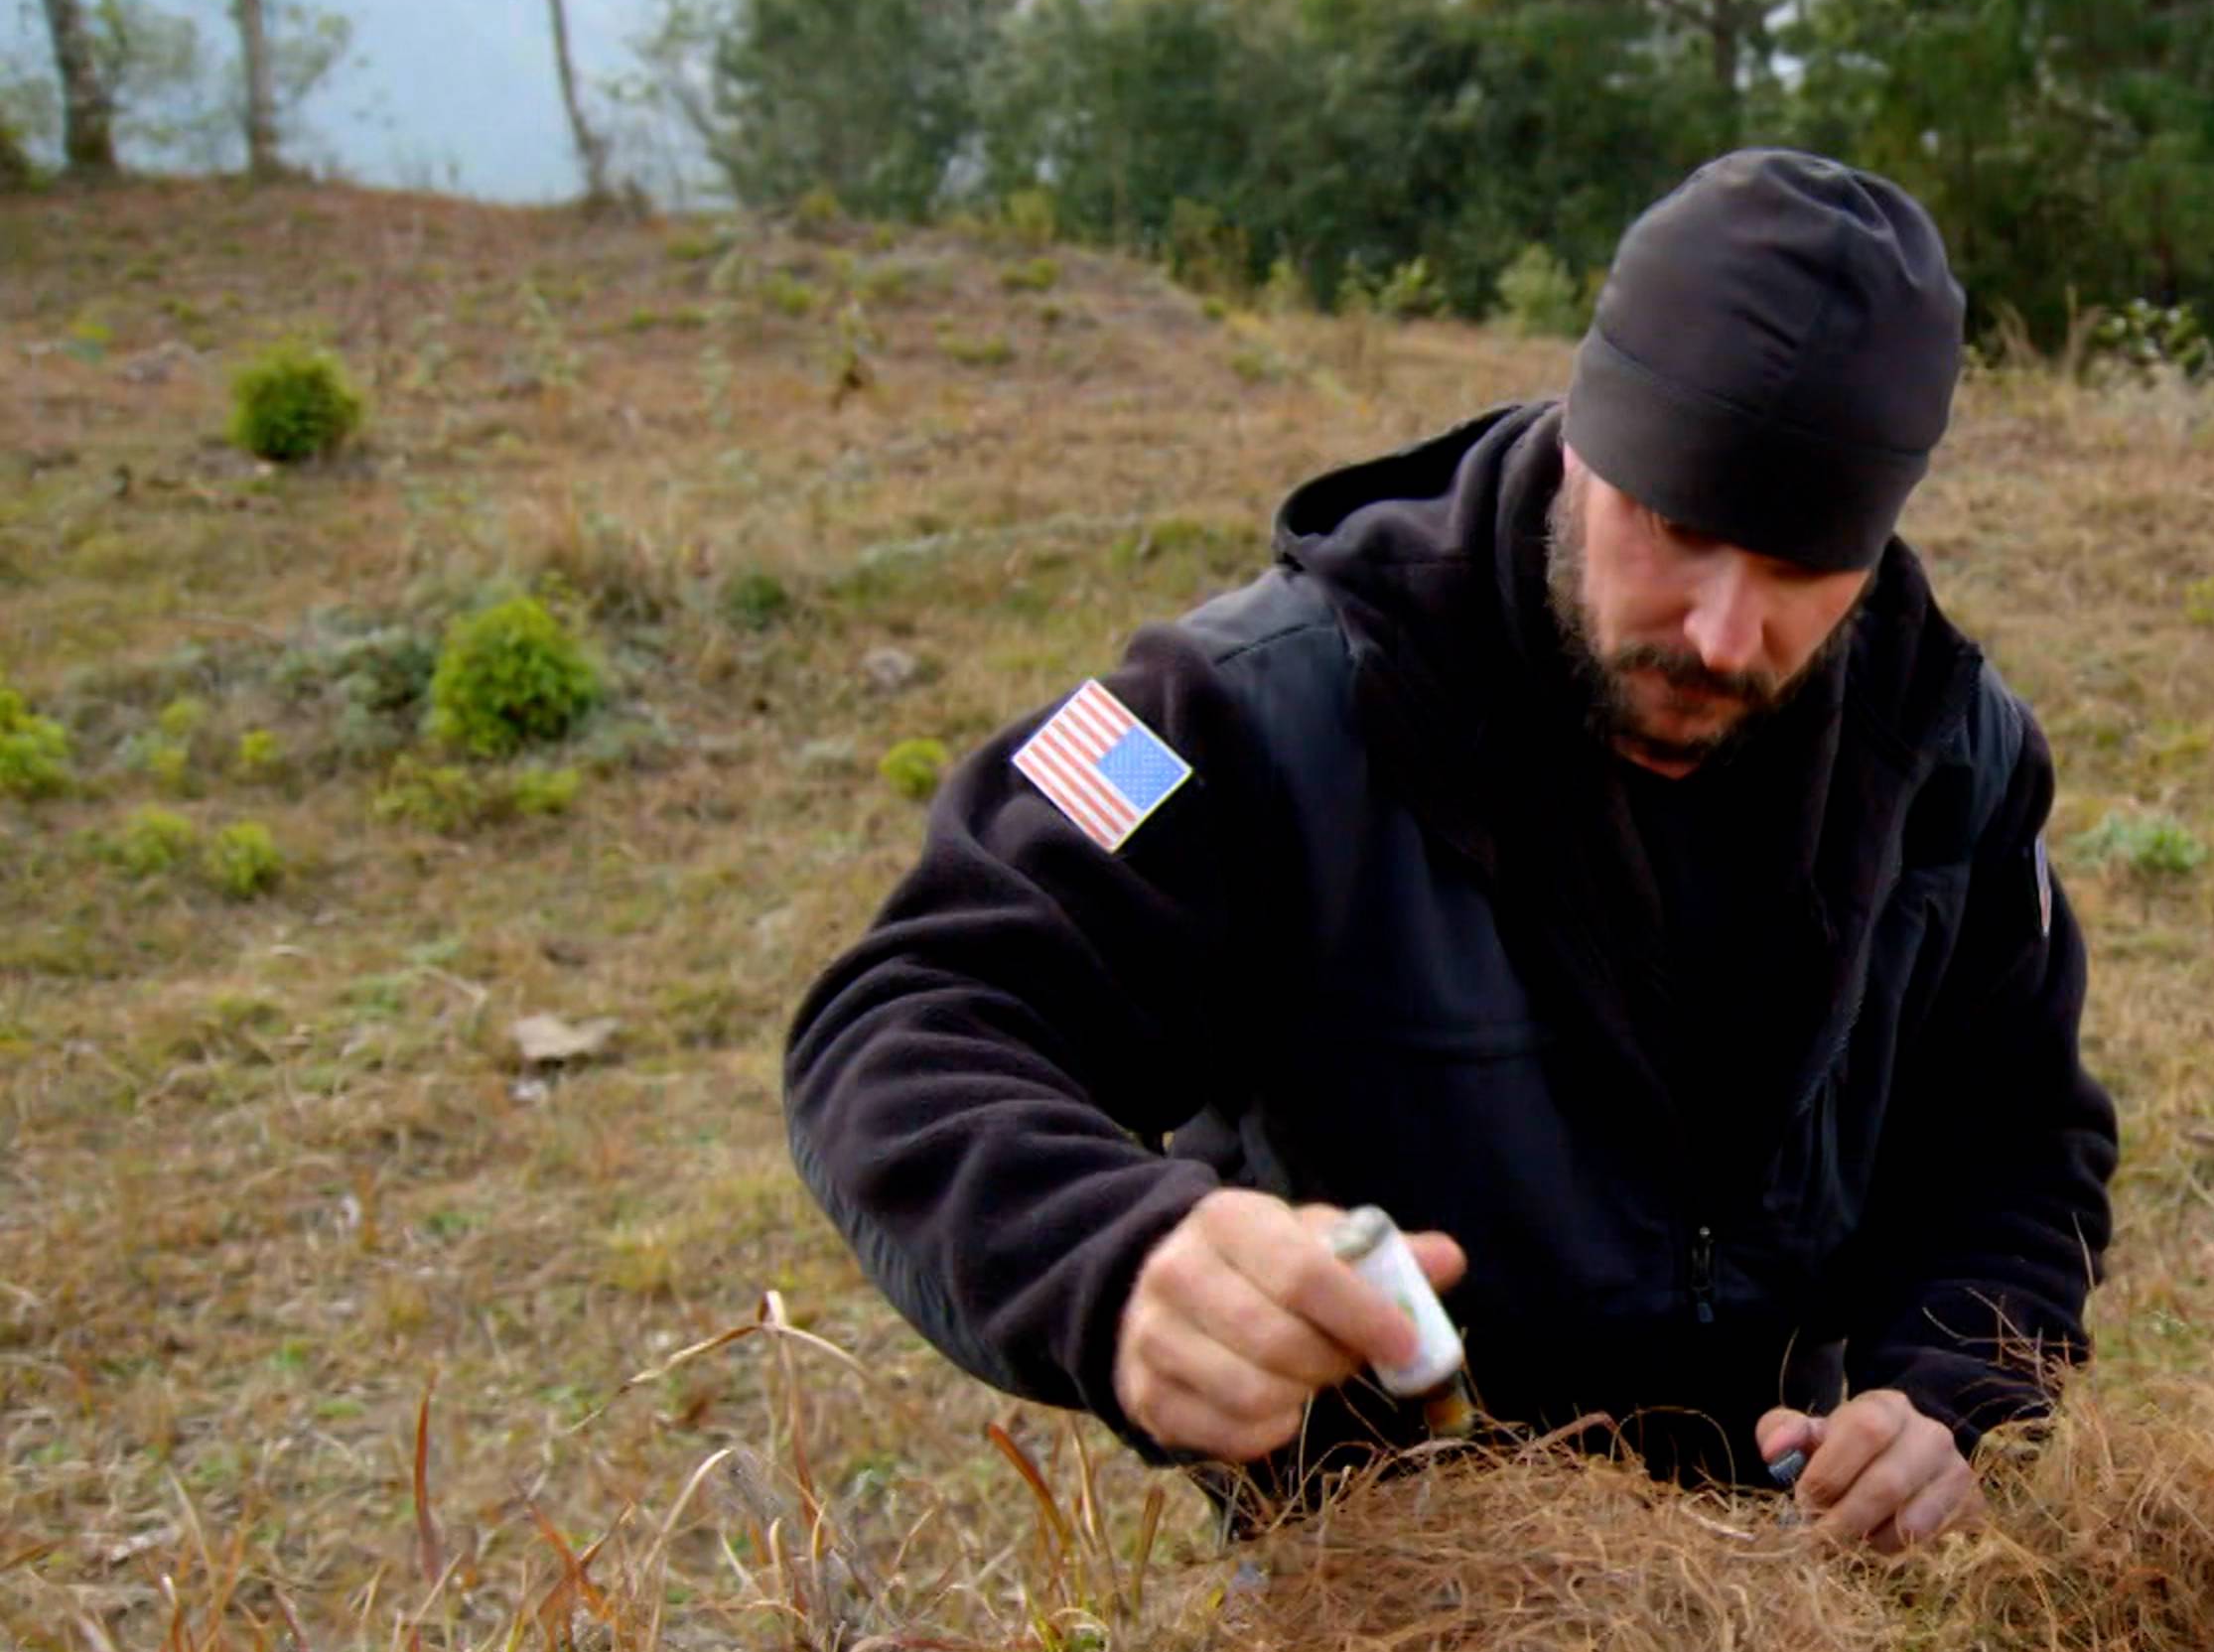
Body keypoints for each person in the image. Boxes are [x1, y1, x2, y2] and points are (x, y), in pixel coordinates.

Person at [781, 150, 2119, 1552]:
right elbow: (910, 1018)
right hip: (1387, 1613)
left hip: (1790, 1597)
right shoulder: (1229, 709)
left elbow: (2018, 1145)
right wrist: (1117, 1266)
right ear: (1584, 440)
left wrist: (1947, 1403)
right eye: (1679, 530)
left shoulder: (1947, 752)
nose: (1726, 639)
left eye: (1802, 573)